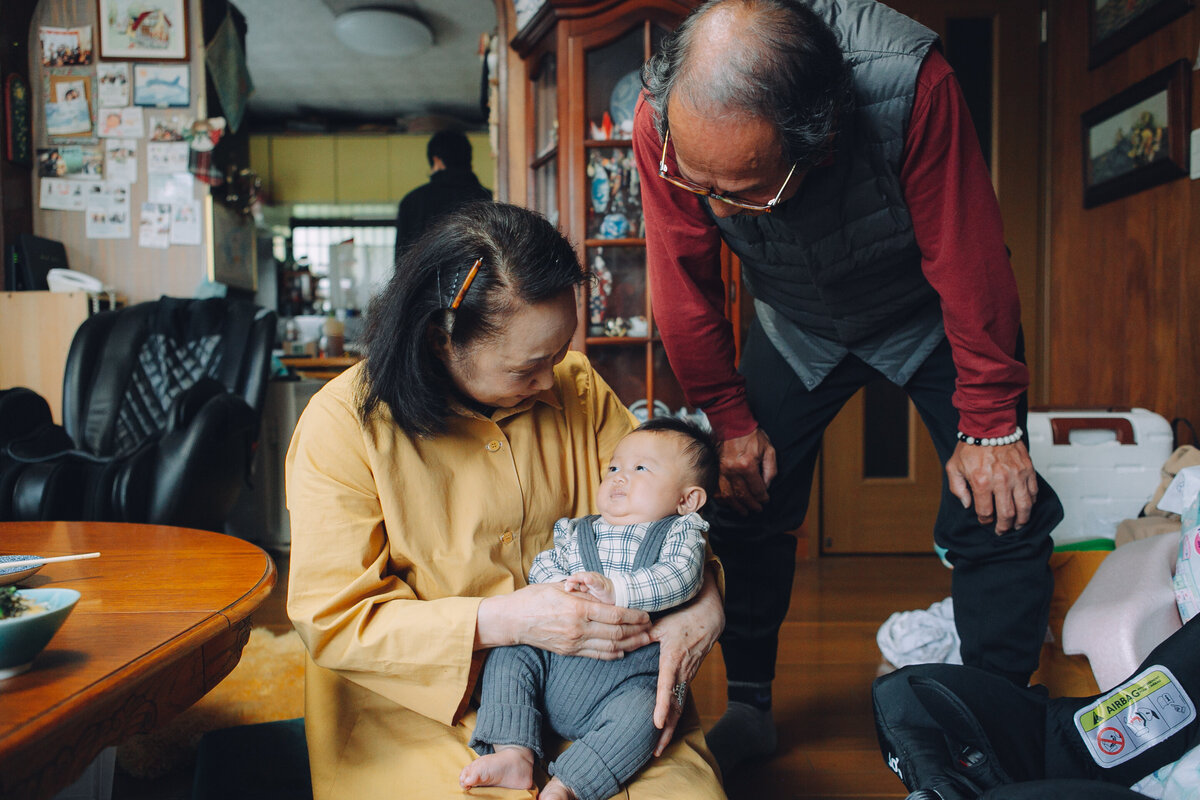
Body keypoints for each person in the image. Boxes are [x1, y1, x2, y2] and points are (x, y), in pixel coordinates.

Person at [632, 0, 1065, 776]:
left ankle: (990, 731)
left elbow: (967, 255)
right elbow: (683, 285)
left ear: (819, 135)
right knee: (745, 498)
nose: (720, 209)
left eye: (747, 190)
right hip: (796, 320)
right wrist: (729, 418)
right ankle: (751, 706)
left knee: (999, 504)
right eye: (703, 184)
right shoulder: (661, 118)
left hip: (928, 310)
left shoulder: (911, 83)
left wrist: (991, 423)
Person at [285, 201, 725, 799]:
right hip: (418, 702)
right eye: (529, 366)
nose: (553, 381)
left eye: (559, 352)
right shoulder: (342, 425)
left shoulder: (578, 387)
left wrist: (707, 600)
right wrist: (506, 621)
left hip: (604, 685)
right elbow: (333, 620)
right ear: (442, 341)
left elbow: (666, 511)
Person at [460, 416, 719, 800]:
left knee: (651, 715)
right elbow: (544, 565)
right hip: (553, 662)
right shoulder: (577, 530)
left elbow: (679, 577)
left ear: (687, 500)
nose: (618, 476)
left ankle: (571, 784)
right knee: (509, 653)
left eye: (640, 468)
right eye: (613, 467)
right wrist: (559, 588)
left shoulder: (682, 533)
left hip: (626, 684)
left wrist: (616, 590)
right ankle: (514, 753)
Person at [393, 129, 493, 263]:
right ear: (468, 160)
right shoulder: (489, 199)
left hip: (428, 283)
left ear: (437, 161)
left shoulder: (412, 202)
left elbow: (402, 261)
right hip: (481, 281)